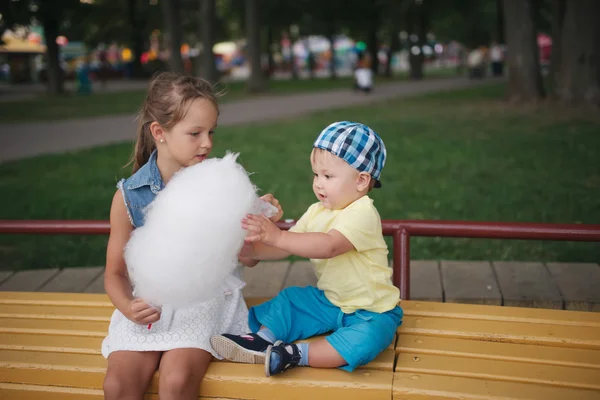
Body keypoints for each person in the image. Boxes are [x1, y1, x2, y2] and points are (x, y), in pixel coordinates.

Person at [101, 71, 283, 399]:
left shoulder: (219, 185)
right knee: (117, 385)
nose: (208, 143)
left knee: (176, 380)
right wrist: (128, 307)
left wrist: (261, 224)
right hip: (148, 306)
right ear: (160, 132)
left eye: (211, 131)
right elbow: (114, 273)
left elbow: (247, 258)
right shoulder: (128, 197)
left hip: (204, 301)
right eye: (195, 133)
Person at [211, 121, 403, 377]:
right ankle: (262, 340)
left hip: (372, 311)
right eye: (316, 174)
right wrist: (249, 247)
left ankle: (295, 354)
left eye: (328, 176)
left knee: (366, 339)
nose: (319, 184)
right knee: (291, 300)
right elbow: (286, 247)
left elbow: (329, 246)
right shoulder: (317, 211)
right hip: (331, 301)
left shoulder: (363, 212)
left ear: (361, 180)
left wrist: (277, 236)